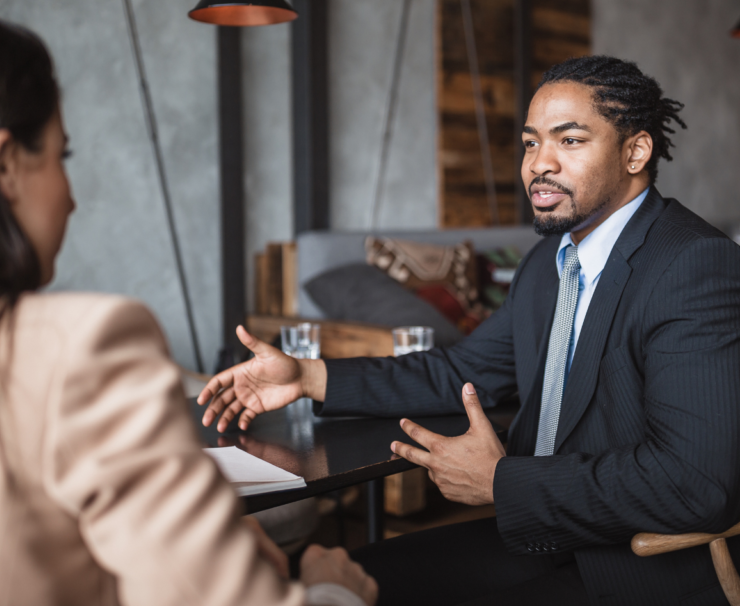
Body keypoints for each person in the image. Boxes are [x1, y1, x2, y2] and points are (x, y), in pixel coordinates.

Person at [199, 55, 740, 606]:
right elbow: (462, 370)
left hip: (639, 570)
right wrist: (307, 377)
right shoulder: (550, 262)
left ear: (635, 151)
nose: (539, 165)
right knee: (338, 583)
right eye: (530, 143)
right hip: (545, 537)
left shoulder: (694, 265)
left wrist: (502, 482)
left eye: (569, 141)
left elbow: (696, 484)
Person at [0, 12, 377, 606]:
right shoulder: (81, 347)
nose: (72, 196)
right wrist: (329, 590)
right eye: (64, 156)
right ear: (6, 165)